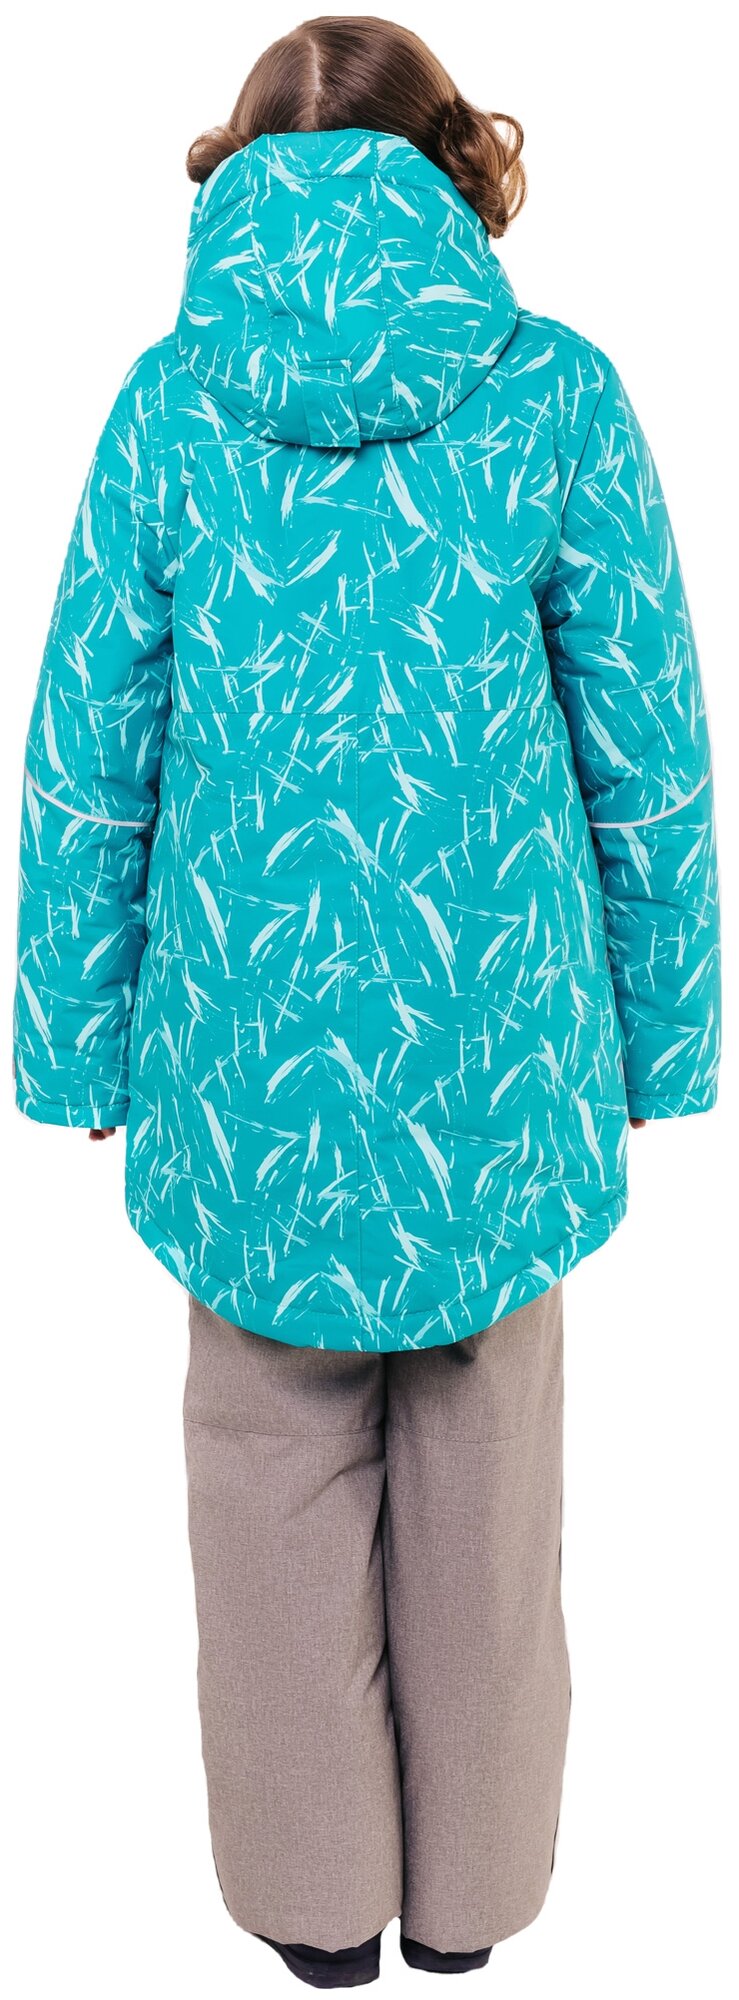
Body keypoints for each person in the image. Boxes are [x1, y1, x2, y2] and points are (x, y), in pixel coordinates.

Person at [13, 14, 721, 1988]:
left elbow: (89, 755)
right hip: (499, 1072)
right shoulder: (557, 399)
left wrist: (71, 1038)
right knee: (490, 1482)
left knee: (267, 1470)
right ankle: (474, 1908)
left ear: (234, 176)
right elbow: (646, 751)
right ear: (455, 169)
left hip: (245, 1074)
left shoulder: (168, 412)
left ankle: (315, 1911)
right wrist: (665, 1034)